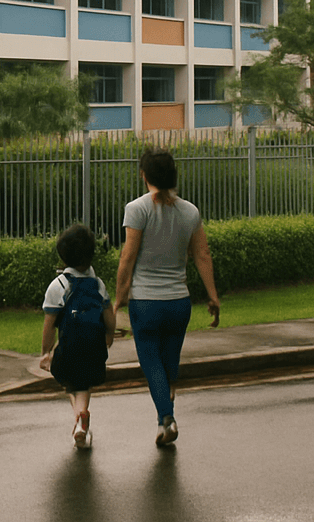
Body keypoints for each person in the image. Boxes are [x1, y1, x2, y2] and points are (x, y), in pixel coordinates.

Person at [113, 148, 220, 447]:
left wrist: (119, 297)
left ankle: (166, 419)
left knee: (151, 363)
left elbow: (128, 257)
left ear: (144, 175)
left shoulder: (137, 209)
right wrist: (213, 297)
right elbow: (202, 254)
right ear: (173, 175)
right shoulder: (191, 211)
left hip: (145, 303)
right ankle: (167, 407)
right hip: (178, 303)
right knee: (169, 362)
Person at [40, 223, 116, 449]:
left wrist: (45, 352)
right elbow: (109, 316)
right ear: (91, 255)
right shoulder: (98, 285)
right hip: (94, 346)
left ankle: (81, 418)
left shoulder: (59, 285)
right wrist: (109, 336)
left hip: (69, 348)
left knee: (70, 380)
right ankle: (81, 423)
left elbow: (49, 324)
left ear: (62, 255)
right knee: (82, 383)